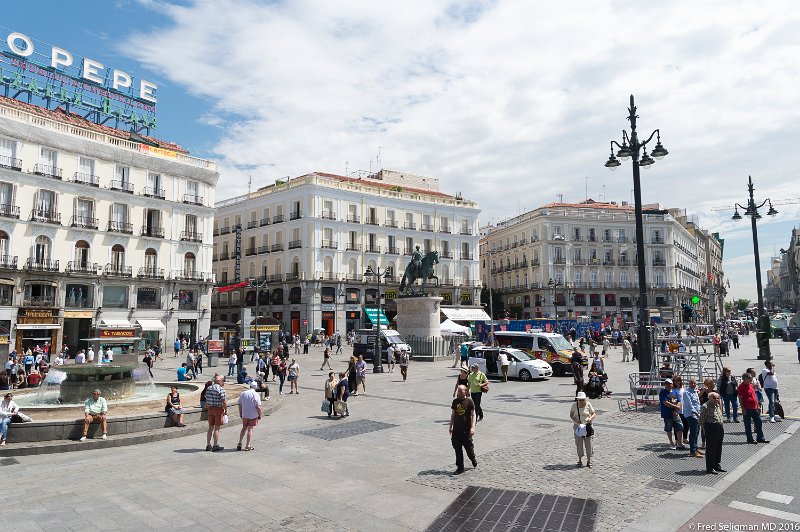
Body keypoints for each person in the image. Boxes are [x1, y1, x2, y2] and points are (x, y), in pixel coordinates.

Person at [449, 384, 477, 475]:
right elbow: (453, 415)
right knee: (457, 449)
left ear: (465, 391)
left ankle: (472, 458)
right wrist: (451, 426)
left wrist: (473, 427)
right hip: (457, 430)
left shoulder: (469, 401)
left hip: (466, 430)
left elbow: (473, 414)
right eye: (458, 391)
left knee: (469, 449)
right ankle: (460, 467)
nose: (459, 393)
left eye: (461, 391)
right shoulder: (455, 402)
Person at [738, 372, 768, 444]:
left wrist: (757, 406)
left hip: (754, 407)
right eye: (750, 378)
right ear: (745, 379)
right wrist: (743, 409)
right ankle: (750, 439)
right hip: (747, 408)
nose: (752, 379)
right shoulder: (741, 387)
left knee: (758, 422)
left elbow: (754, 396)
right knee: (748, 424)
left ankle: (760, 437)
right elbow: (740, 399)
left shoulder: (751, 385)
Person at [700, 392, 726, 474]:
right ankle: (710, 467)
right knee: (711, 449)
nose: (716, 399)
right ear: (709, 398)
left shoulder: (717, 405)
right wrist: (704, 429)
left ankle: (716, 465)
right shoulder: (705, 406)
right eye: (714, 398)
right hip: (711, 427)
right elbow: (701, 420)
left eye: (717, 398)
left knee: (718, 447)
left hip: (719, 427)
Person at [570, 391, 596, 468]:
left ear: (585, 399)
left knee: (589, 444)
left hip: (587, 426)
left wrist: (590, 418)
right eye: (579, 400)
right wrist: (575, 420)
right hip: (578, 426)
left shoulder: (588, 404)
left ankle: (589, 461)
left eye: (582, 400)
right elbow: (571, 415)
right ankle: (580, 460)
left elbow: (594, 413)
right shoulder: (574, 405)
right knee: (579, 443)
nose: (581, 401)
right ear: (577, 400)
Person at [237, 381, 262, 451]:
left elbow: (239, 403)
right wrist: (260, 414)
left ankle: (239, 442)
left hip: (245, 414)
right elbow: (258, 407)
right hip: (252, 414)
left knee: (244, 428)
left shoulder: (244, 393)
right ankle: (248, 445)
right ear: (255, 387)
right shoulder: (256, 394)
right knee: (250, 429)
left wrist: (241, 412)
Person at [659, 379, 684, 450]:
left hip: (676, 413)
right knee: (668, 428)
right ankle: (671, 442)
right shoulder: (662, 392)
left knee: (680, 427)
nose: (668, 385)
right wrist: (676, 407)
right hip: (667, 413)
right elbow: (665, 402)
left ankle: (679, 442)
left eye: (669, 384)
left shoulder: (675, 391)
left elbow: (679, 401)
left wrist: (677, 408)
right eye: (666, 384)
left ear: (672, 384)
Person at [204, 374, 227, 451]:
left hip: (210, 409)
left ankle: (208, 445)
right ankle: (215, 445)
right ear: (220, 381)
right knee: (217, 428)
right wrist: (226, 410)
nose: (223, 382)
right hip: (218, 409)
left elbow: (206, 399)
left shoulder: (208, 388)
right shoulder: (221, 389)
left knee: (210, 428)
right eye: (222, 381)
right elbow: (224, 401)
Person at [682, 379, 702, 457]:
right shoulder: (686, 393)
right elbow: (690, 405)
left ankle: (696, 448)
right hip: (691, 415)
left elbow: (697, 403)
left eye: (694, 383)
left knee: (697, 432)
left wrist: (700, 413)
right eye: (691, 383)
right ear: (689, 384)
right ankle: (692, 451)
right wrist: (696, 414)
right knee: (693, 432)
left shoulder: (695, 392)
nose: (693, 384)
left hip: (697, 414)